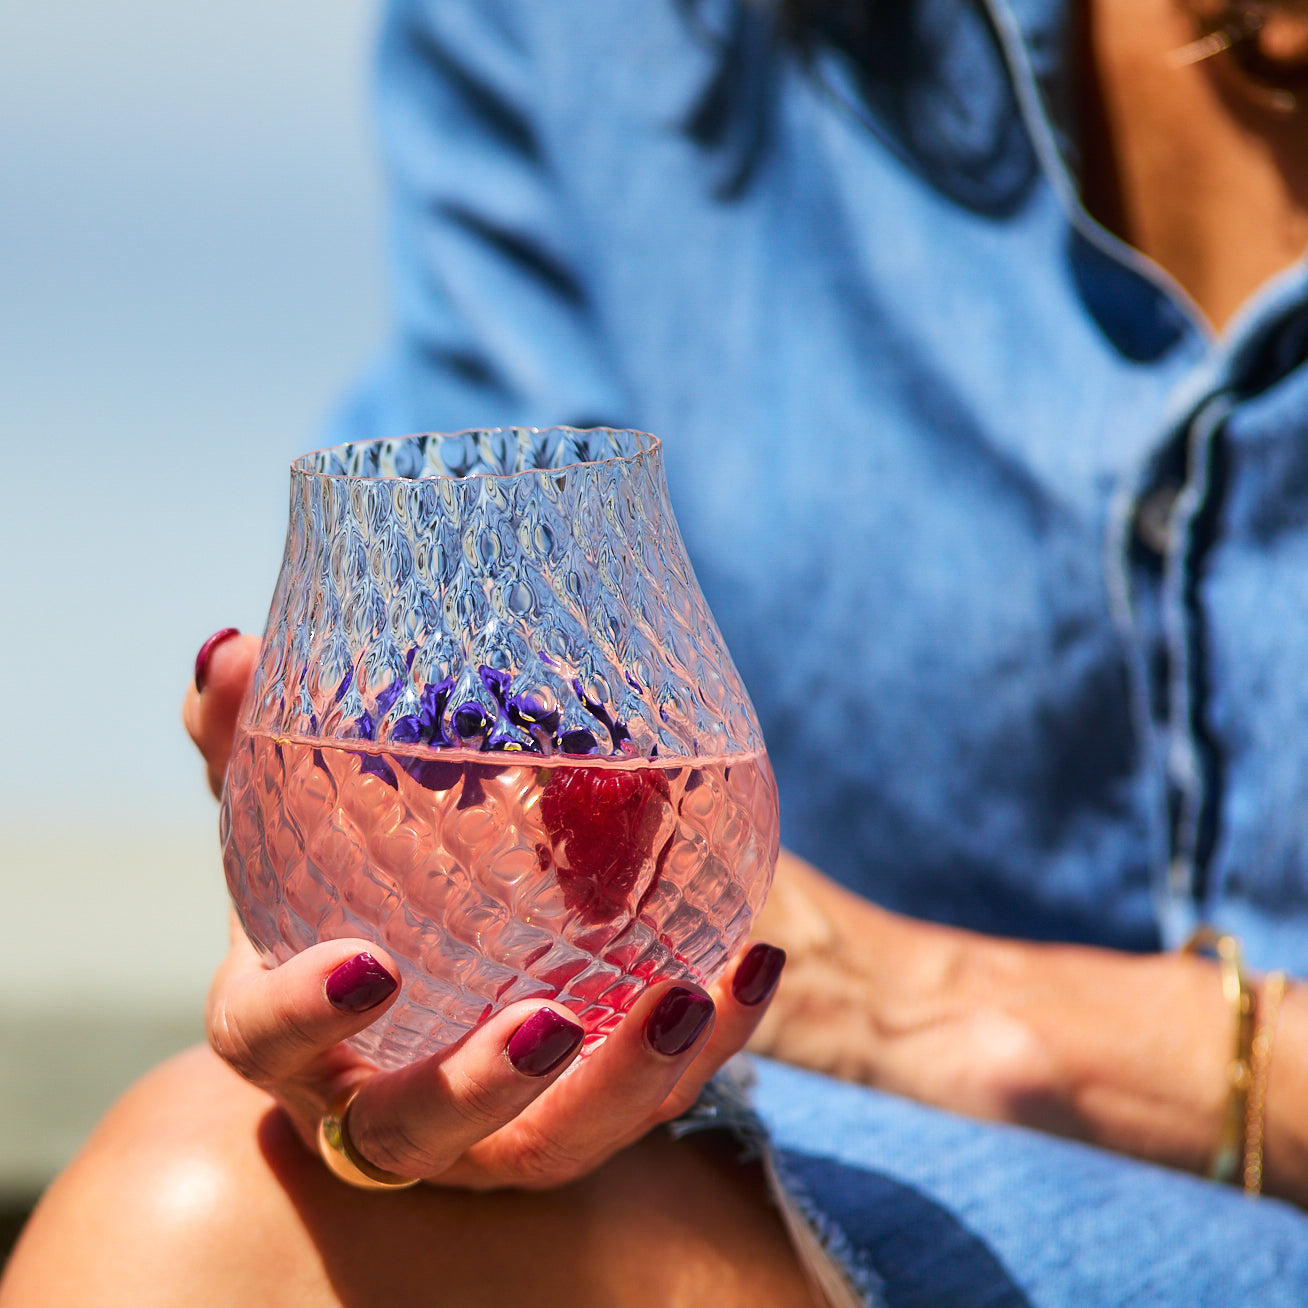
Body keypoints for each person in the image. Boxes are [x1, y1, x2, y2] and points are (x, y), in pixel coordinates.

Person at [7, 0, 1308, 1302]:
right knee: (205, 1209)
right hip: (832, 1161)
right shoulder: (618, 33)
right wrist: (407, 956)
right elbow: (481, 654)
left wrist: (955, 1016)